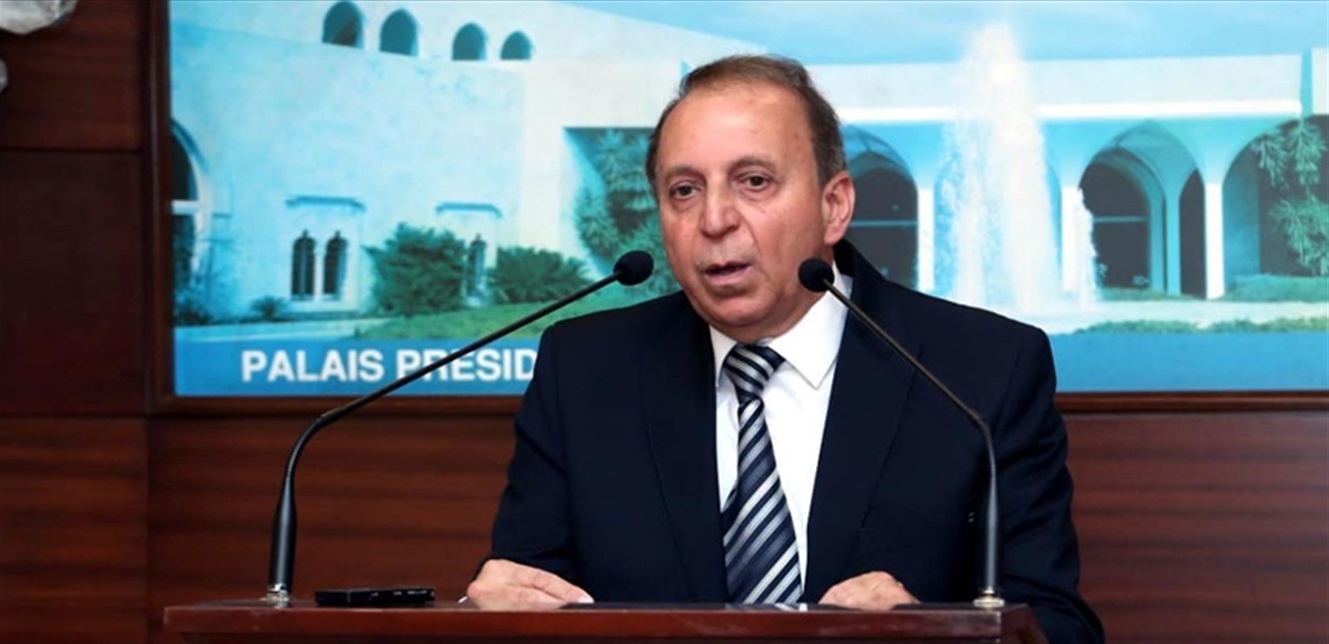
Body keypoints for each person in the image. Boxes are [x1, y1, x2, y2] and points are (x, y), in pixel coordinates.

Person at [467, 54, 1104, 643]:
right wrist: (479, 616)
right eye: (684, 190)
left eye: (754, 181)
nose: (714, 219)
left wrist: (928, 631)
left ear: (834, 207)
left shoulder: (981, 371)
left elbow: (1059, 625)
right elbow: (523, 593)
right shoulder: (585, 372)